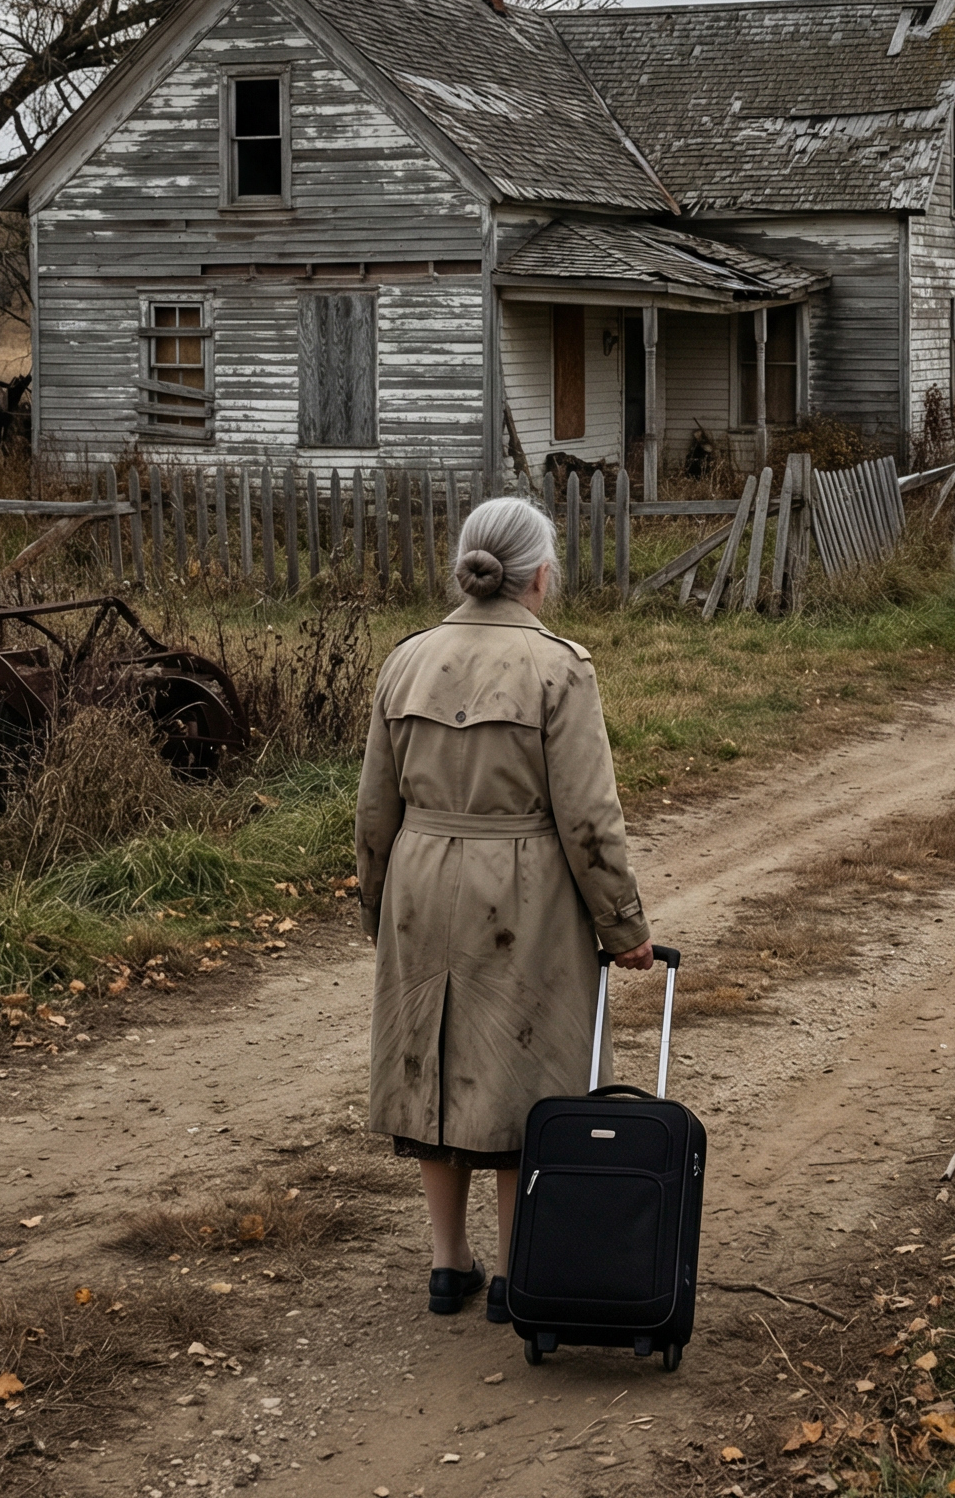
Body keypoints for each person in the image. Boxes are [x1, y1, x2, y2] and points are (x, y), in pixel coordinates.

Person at [357, 494, 653, 1321]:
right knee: (526, 1072)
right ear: (541, 575)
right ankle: (516, 1274)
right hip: (523, 893)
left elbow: (373, 809)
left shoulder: (406, 659)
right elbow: (589, 819)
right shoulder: (560, 666)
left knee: (435, 1064)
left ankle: (446, 1264)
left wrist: (377, 907)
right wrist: (624, 925)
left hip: (420, 882)